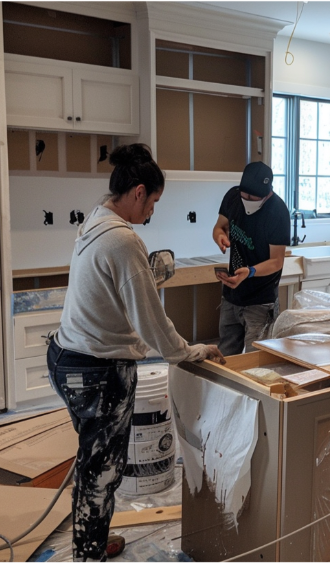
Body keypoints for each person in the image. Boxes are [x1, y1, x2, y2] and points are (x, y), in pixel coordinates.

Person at [48, 144, 224, 563]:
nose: (152, 213)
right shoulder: (125, 241)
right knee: (102, 472)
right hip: (97, 371)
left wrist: (145, 276)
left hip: (64, 357)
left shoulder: (95, 218)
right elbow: (154, 327)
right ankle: (89, 556)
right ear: (140, 192)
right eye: (154, 203)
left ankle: (90, 540)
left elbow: (114, 291)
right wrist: (191, 351)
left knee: (94, 462)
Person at [212, 161, 290, 355]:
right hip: (232, 296)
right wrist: (219, 236)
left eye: (253, 197)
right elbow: (219, 226)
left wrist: (250, 272)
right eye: (244, 194)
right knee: (226, 358)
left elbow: (277, 261)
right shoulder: (233, 197)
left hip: (260, 303)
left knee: (256, 360)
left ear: (267, 194)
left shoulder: (277, 212)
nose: (247, 199)